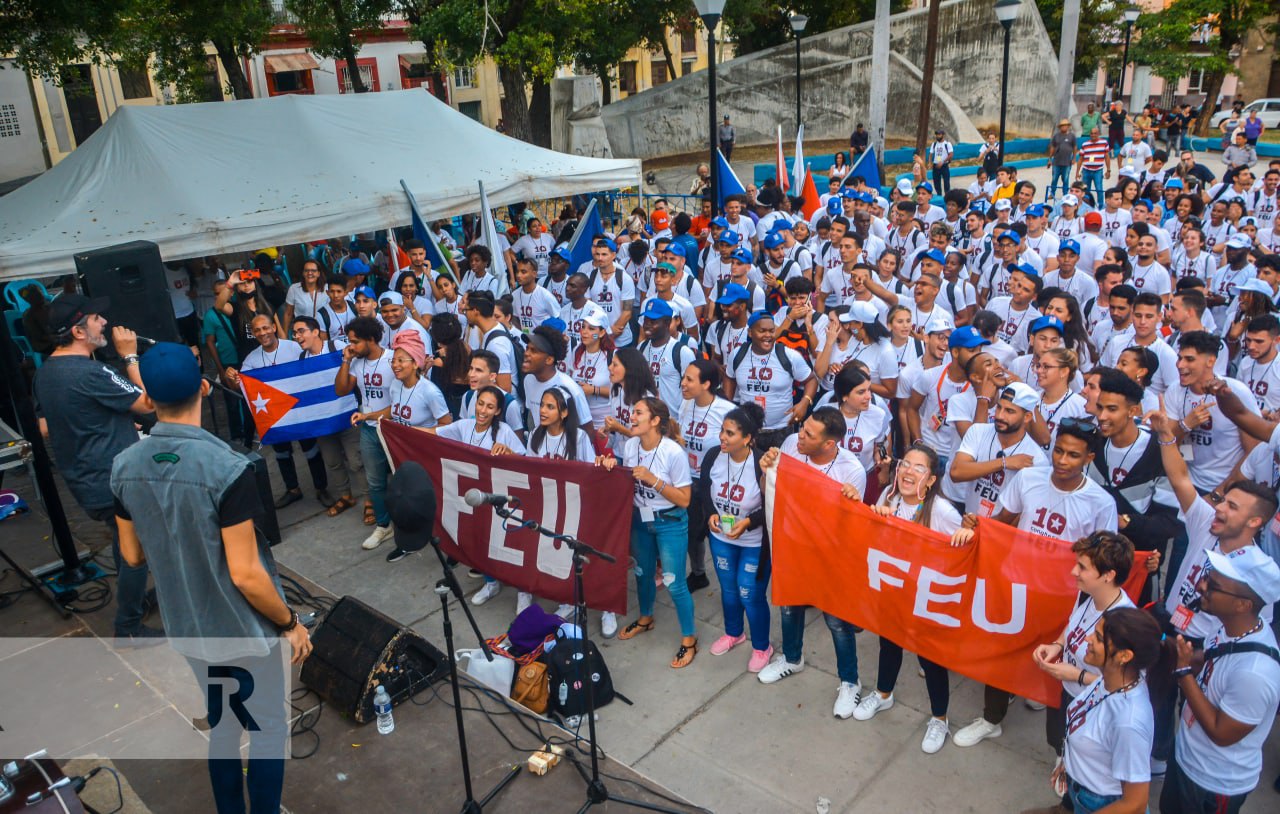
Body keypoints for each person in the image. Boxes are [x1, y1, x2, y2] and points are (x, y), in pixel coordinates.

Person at [112, 343, 308, 814]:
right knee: (267, 729)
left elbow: (132, 555)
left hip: (188, 626)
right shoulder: (227, 468)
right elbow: (246, 574)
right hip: (242, 632)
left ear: (148, 397)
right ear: (204, 387)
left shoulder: (124, 466)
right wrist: (289, 623)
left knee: (221, 726)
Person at [33, 293, 158, 640]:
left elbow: (49, 424)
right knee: (134, 553)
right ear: (78, 331)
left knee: (126, 543)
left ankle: (138, 604)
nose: (104, 322)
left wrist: (110, 423)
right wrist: (129, 355)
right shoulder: (92, 371)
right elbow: (147, 404)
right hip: (113, 478)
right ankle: (129, 626)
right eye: (95, 319)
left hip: (86, 478)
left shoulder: (46, 373)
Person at [854, 442, 975, 753]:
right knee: (889, 644)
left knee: (930, 658)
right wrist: (875, 516)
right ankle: (883, 694)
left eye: (919, 468)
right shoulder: (888, 496)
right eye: (905, 464)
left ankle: (939, 719)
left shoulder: (942, 511)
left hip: (925, 600)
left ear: (931, 480)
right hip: (893, 593)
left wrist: (966, 537)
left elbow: (965, 552)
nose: (908, 471)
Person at [757, 408, 868, 717]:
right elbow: (773, 491)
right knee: (789, 605)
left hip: (830, 556)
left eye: (810, 434)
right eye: (802, 429)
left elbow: (851, 524)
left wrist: (851, 502)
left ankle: (850, 681)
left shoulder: (852, 469)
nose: (800, 436)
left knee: (836, 620)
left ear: (830, 444)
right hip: (793, 545)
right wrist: (767, 470)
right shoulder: (792, 444)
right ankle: (792, 658)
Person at [1163, 545, 1280, 813]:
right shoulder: (1227, 628)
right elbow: (1212, 658)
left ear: (1243, 604)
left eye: (1214, 584)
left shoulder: (1256, 673)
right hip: (1187, 758)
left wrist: (1183, 672)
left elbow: (1221, 733)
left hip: (1213, 784)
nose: (1202, 585)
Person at [598, 397, 698, 668]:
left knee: (674, 582)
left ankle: (689, 639)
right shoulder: (631, 446)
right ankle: (645, 618)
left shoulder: (673, 452)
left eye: (638, 412)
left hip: (670, 522)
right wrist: (608, 465)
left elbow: (685, 499)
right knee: (642, 574)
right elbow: (623, 477)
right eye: (633, 411)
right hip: (640, 522)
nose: (632, 416)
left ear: (655, 421)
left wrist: (653, 480)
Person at [1050, 607, 1161, 814]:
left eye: (1099, 638)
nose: (1088, 639)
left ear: (1124, 656)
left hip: (1100, 804)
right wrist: (1072, 762)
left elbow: (1134, 803)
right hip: (1082, 793)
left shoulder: (1128, 722)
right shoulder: (1111, 680)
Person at [225, 314, 331, 510]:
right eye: (257, 330)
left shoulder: (293, 347)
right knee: (281, 453)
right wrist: (232, 377)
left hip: (299, 409)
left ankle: (321, 488)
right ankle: (293, 489)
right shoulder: (251, 359)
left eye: (265, 328)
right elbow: (240, 387)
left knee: (311, 449)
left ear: (274, 327)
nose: (262, 333)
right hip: (274, 414)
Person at [698, 402, 771, 671]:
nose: (722, 437)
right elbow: (704, 488)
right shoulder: (713, 456)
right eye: (722, 431)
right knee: (728, 590)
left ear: (748, 439)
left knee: (749, 592)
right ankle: (733, 633)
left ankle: (762, 647)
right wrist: (711, 514)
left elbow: (774, 507)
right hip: (722, 539)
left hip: (753, 543)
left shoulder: (762, 464)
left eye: (730, 433)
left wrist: (749, 522)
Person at [335, 316, 396, 548]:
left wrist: (371, 416)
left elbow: (400, 402)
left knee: (402, 478)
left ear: (371, 339)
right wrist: (346, 361)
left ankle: (411, 522)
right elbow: (341, 390)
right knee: (375, 482)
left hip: (393, 429)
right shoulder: (356, 363)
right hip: (370, 430)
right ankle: (383, 525)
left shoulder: (393, 360)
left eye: (355, 342)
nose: (351, 346)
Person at [292, 316, 360, 517]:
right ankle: (346, 496)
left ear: (315, 331)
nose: (297, 336)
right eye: (294, 333)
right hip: (322, 421)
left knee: (356, 461)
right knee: (333, 461)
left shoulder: (337, 346)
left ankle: (371, 499)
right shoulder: (302, 360)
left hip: (347, 415)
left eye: (301, 331)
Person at [950, 382, 1046, 518]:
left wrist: (984, 528)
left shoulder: (1036, 459)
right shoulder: (978, 431)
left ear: (1027, 417)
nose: (1000, 416)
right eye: (999, 408)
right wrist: (1004, 462)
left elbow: (1023, 513)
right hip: (968, 518)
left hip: (998, 531)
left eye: (1010, 411)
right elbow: (956, 472)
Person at [723, 311, 816, 450]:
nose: (768, 335)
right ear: (750, 333)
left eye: (772, 331)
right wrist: (727, 404)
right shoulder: (737, 355)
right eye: (762, 331)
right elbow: (729, 377)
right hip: (748, 429)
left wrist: (805, 401)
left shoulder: (789, 355)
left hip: (782, 430)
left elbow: (811, 379)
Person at [680, 360, 735, 593]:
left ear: (707, 384)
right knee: (693, 533)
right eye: (684, 377)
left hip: (715, 484)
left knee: (721, 533)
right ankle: (699, 573)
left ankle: (730, 580)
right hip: (689, 481)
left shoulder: (726, 412)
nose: (683, 383)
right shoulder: (686, 404)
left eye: (689, 379)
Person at [1048, 119, 1077, 200]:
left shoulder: (1072, 136)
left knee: (1066, 179)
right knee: (1054, 179)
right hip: (1056, 161)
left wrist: (1074, 158)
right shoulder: (1056, 136)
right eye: (1062, 126)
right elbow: (1052, 147)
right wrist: (1050, 159)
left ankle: (1065, 194)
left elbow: (1074, 147)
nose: (1063, 127)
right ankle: (1052, 193)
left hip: (1067, 162)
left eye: (1065, 126)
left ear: (1068, 126)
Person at [930, 130, 954, 194]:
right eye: (937, 135)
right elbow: (931, 153)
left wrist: (943, 162)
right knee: (936, 183)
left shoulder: (947, 144)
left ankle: (947, 197)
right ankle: (939, 196)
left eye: (939, 134)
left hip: (944, 165)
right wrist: (930, 163)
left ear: (943, 135)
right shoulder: (934, 144)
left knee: (946, 183)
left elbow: (951, 154)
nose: (937, 136)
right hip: (936, 165)